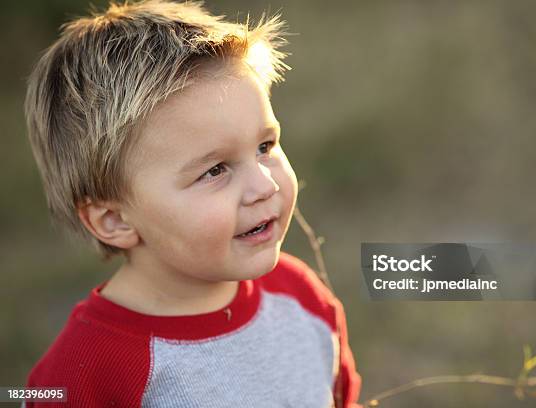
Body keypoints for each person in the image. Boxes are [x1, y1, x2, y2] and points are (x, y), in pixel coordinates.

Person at [22, 0, 361, 406]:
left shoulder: (299, 296)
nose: (265, 184)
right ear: (114, 219)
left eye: (265, 146)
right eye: (215, 169)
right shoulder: (87, 372)